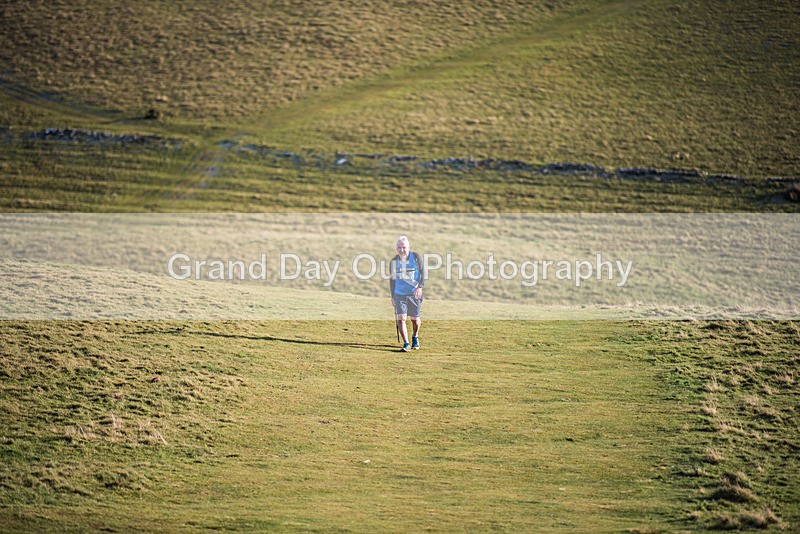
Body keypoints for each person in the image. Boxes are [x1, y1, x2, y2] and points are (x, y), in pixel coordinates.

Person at [389, 236, 426, 352]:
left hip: (414, 294)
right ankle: (406, 343)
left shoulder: (416, 257)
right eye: (399, 247)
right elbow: (392, 279)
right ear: (396, 249)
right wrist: (392, 296)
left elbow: (424, 273)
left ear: (409, 247)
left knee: (414, 319)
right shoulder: (394, 261)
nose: (402, 250)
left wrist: (420, 287)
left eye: (404, 247)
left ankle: (415, 336)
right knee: (401, 318)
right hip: (399, 294)